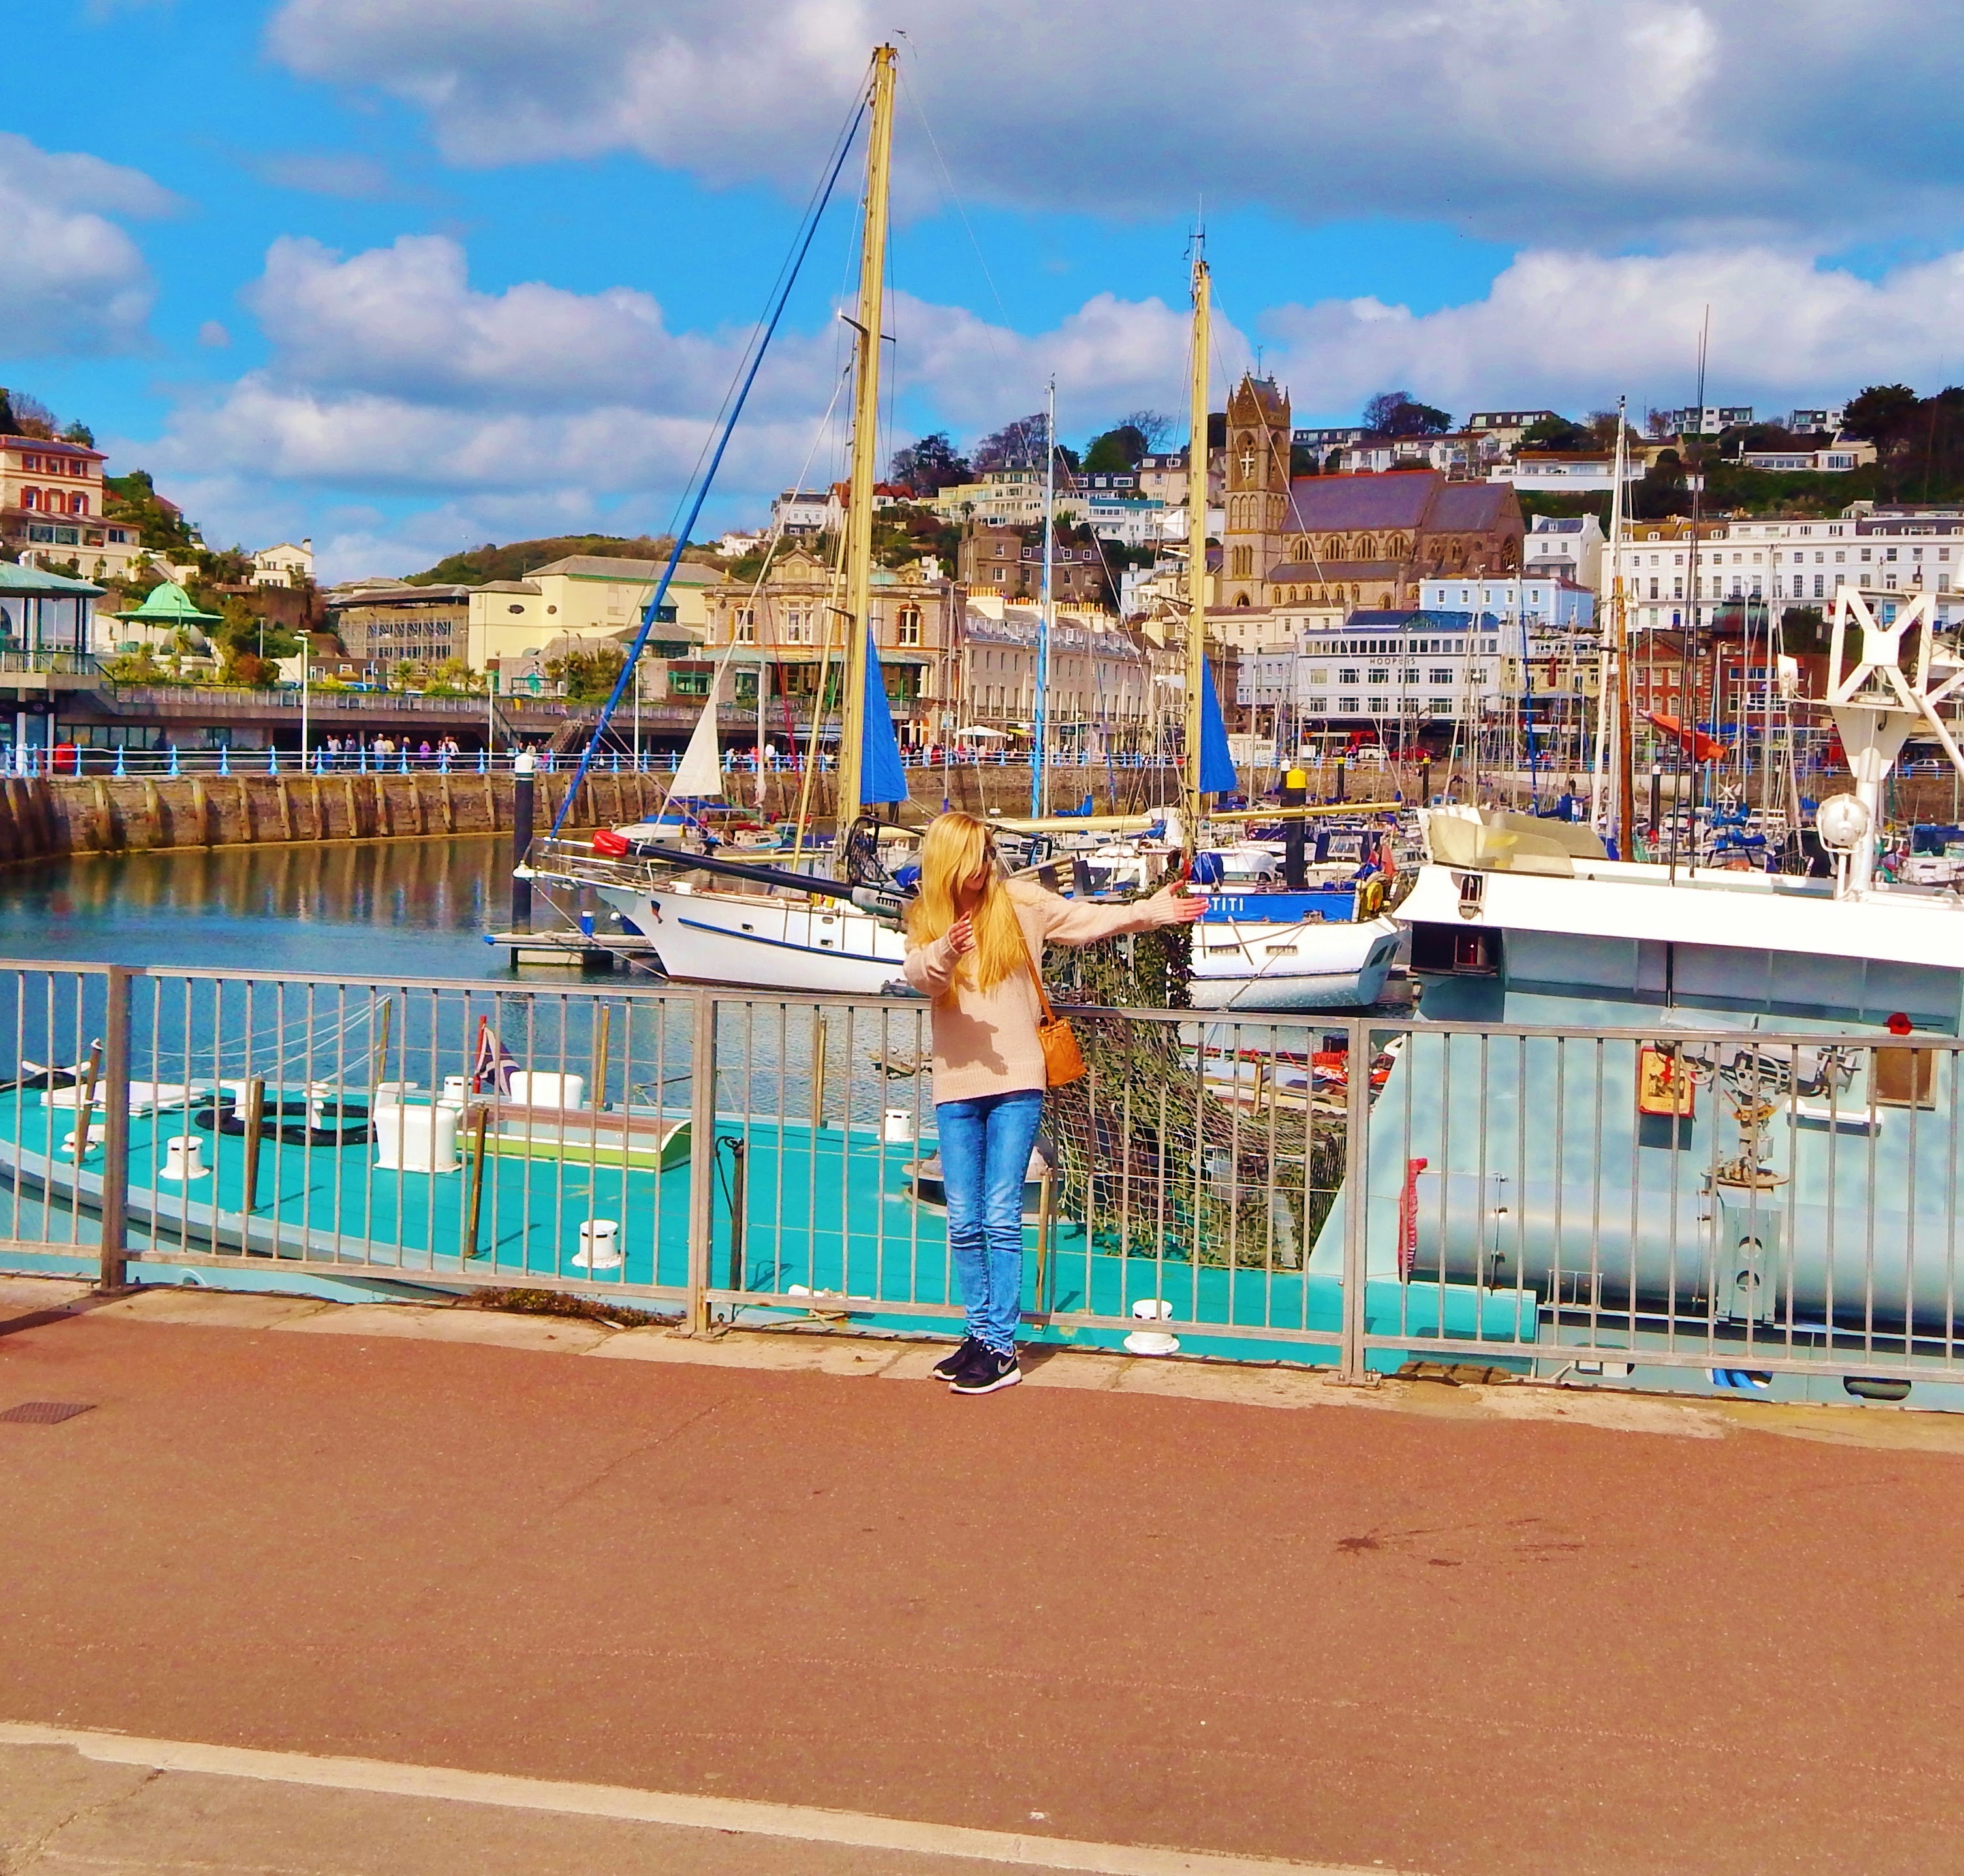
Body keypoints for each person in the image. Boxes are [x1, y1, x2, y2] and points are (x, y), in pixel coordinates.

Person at [903, 811, 1203, 1396]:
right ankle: (978, 1331)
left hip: (1018, 1078)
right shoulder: (926, 916)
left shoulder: (1019, 901)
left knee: (998, 1213)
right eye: (970, 858)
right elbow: (920, 977)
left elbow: (1087, 920)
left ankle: (1000, 1346)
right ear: (947, 862)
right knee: (963, 1221)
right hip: (955, 1083)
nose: (981, 868)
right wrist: (946, 948)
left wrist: (1148, 913)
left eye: (986, 854)